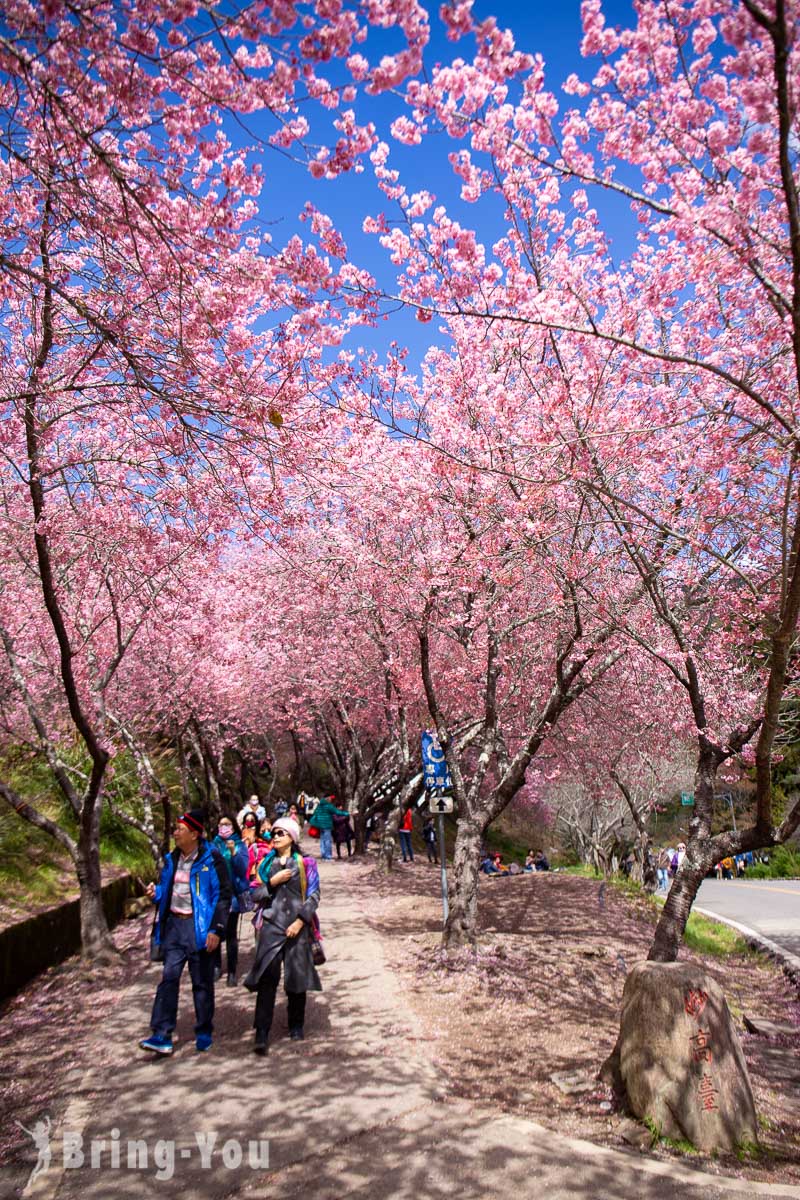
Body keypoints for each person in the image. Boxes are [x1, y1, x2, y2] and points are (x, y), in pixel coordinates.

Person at [140, 809, 231, 1056]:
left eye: (179, 829)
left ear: (194, 833)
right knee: (168, 978)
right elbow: (169, 890)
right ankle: (161, 1034)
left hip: (199, 927)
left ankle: (203, 1029)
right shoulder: (172, 859)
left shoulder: (212, 858)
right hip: (174, 928)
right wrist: (156, 893)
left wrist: (216, 929)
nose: (175, 833)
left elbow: (223, 896)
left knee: (201, 983)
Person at [244, 817, 322, 1054]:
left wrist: (301, 921)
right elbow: (253, 895)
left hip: (298, 926)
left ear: (292, 837)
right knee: (268, 977)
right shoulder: (266, 864)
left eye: (280, 833)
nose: (275, 837)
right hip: (271, 925)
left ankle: (296, 1024)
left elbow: (314, 894)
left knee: (296, 977)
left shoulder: (305, 863)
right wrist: (271, 883)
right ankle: (262, 1031)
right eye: (273, 833)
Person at [211, 816, 249, 986]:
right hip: (216, 895)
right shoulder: (213, 845)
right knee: (216, 931)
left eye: (227, 824)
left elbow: (242, 870)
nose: (223, 827)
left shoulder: (240, 845)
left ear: (233, 827)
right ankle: (216, 966)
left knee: (231, 933)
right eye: (221, 824)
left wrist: (234, 853)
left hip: (232, 895)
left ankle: (232, 970)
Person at [310, 795, 350, 861]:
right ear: (327, 798)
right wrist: (346, 813)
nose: (331, 800)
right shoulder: (329, 806)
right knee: (328, 841)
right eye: (331, 798)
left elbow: (315, 813)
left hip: (320, 825)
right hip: (327, 825)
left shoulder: (319, 805)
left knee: (322, 841)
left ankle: (323, 855)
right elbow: (337, 812)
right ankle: (328, 857)